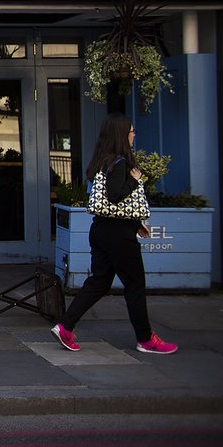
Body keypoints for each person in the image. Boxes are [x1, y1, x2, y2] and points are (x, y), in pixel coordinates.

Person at [51, 112, 178, 355]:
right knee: (135, 285)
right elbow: (115, 196)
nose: (134, 136)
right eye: (131, 132)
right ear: (122, 135)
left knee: (99, 282)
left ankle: (65, 325)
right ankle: (146, 339)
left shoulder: (101, 161)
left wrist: (134, 223)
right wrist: (136, 179)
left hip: (101, 229)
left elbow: (107, 201)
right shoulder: (120, 163)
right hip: (119, 235)